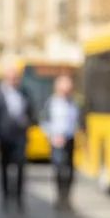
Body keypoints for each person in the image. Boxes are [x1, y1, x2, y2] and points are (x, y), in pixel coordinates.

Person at [0, 59, 35, 209]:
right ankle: (6, 195)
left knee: (20, 166)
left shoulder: (24, 92)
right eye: (12, 77)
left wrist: (29, 122)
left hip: (20, 135)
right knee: (4, 167)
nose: (14, 80)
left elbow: (31, 111)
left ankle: (19, 196)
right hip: (4, 136)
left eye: (16, 77)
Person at [41, 74, 82, 210]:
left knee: (70, 170)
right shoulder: (51, 102)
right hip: (57, 140)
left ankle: (67, 197)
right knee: (59, 169)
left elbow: (78, 120)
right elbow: (44, 121)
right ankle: (59, 197)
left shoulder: (74, 103)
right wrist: (52, 135)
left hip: (70, 139)